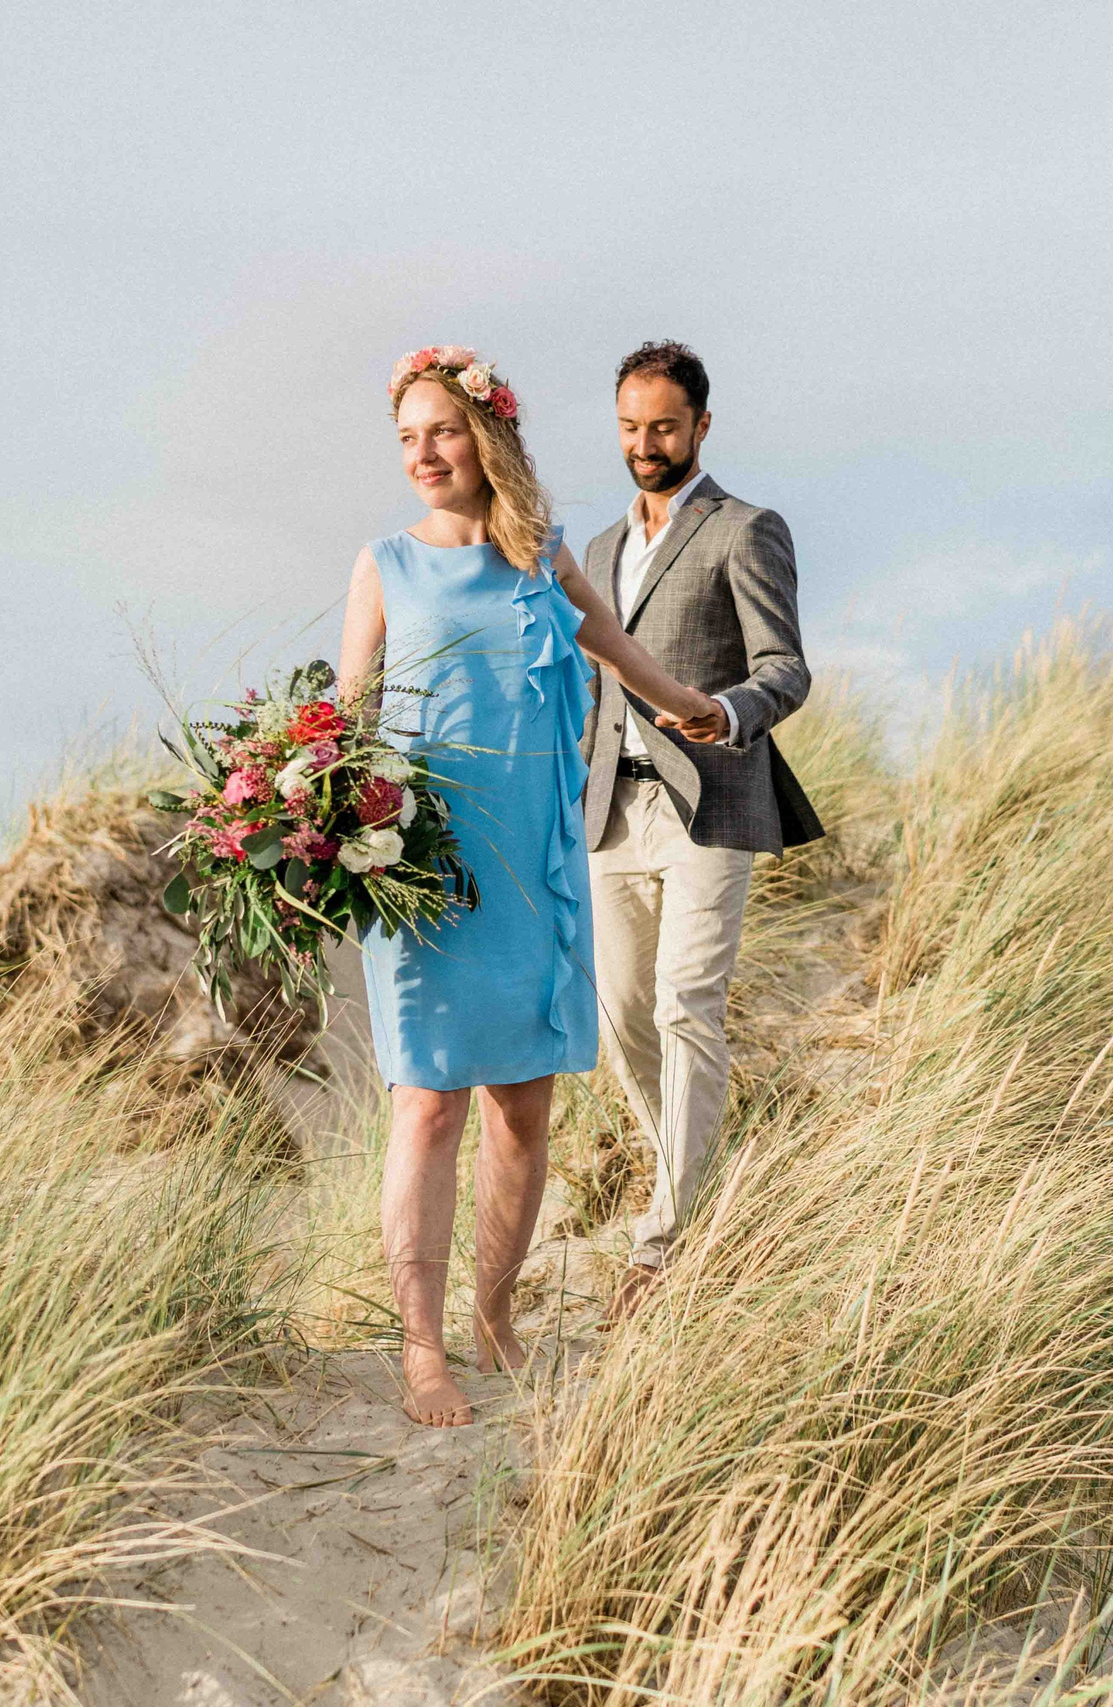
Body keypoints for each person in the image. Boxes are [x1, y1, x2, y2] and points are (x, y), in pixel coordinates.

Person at [337, 345, 723, 1428]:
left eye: (441, 430)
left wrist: (690, 703)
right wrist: (311, 826)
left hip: (534, 859)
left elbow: (616, 653)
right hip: (425, 868)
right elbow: (343, 721)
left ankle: (494, 1315)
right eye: (407, 438)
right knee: (426, 1107)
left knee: (522, 1107)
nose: (424, 454)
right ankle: (422, 1352)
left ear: (486, 435)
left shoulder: (539, 554)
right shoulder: (383, 566)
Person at [580, 341, 823, 1322]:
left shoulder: (745, 529)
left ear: (703, 427)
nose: (647, 445)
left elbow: (785, 669)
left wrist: (723, 713)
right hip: (610, 811)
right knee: (621, 1018)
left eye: (665, 428)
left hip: (711, 799)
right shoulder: (594, 552)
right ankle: (700, 1173)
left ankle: (668, 1239)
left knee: (686, 1004)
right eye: (633, 428)